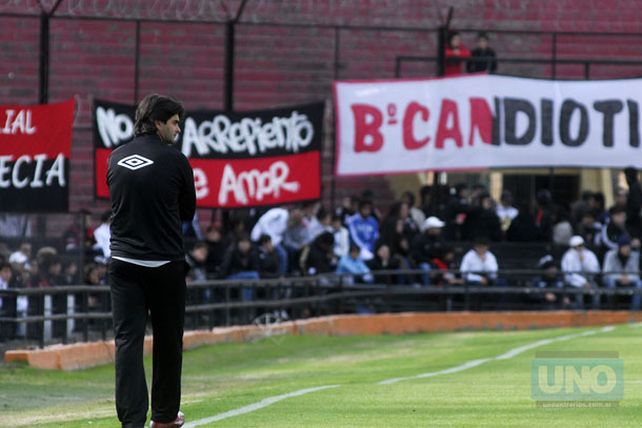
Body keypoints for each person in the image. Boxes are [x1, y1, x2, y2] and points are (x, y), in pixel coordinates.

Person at [107, 94, 195, 428]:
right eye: (174, 122)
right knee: (168, 339)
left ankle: (131, 421)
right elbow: (187, 211)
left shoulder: (115, 158)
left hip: (123, 263)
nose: (178, 129)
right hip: (165, 264)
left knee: (127, 341)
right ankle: (165, 416)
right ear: (157, 122)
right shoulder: (176, 160)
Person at [602, 236, 642, 310]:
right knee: (611, 282)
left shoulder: (634, 255)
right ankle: (612, 309)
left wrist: (628, 278)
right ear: (620, 247)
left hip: (629, 280)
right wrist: (619, 277)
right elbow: (606, 273)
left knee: (640, 284)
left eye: (628, 247)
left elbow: (636, 274)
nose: (627, 249)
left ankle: (634, 311)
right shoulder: (610, 255)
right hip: (614, 279)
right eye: (625, 247)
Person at [561, 235, 600, 309]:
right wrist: (583, 282)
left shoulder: (589, 254)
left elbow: (595, 270)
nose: (579, 248)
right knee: (579, 293)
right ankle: (580, 315)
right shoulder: (568, 256)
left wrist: (584, 261)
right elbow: (569, 276)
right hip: (574, 283)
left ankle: (595, 314)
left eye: (581, 245)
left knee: (596, 291)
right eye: (576, 246)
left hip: (590, 281)